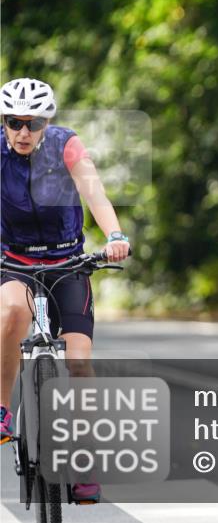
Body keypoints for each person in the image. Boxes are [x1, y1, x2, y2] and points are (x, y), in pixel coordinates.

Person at [0, 78, 130, 505]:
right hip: (14, 262)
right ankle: (2, 410)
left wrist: (114, 235)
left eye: (33, 123)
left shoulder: (65, 145)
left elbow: (93, 191)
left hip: (66, 263)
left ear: (47, 122)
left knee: (78, 362)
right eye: (14, 122)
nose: (23, 132)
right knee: (11, 313)